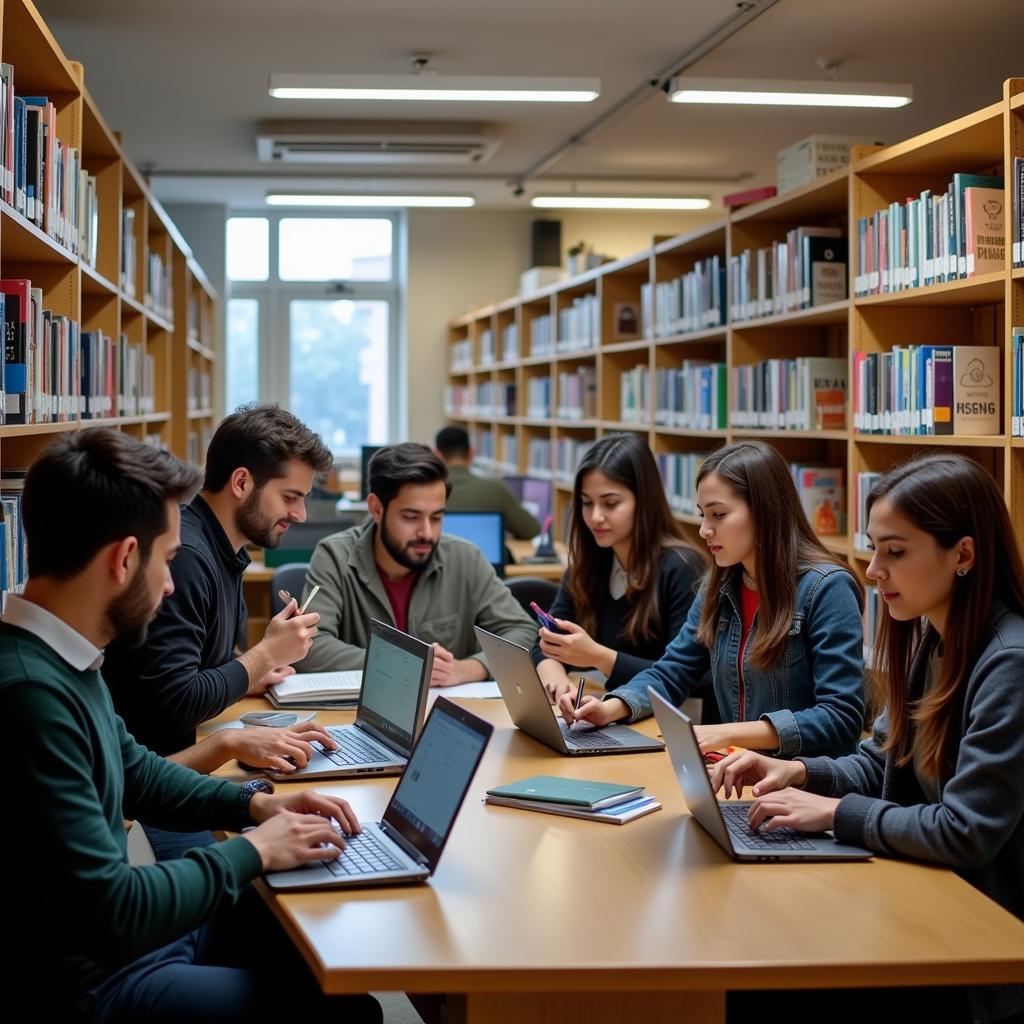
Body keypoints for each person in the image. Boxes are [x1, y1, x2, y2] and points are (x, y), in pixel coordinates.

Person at [0, 428, 379, 1022]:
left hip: (123, 944)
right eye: (168, 560)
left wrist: (254, 807)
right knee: (344, 1011)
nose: (173, 584)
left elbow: (137, 774)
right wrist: (253, 852)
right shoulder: (29, 695)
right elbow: (115, 911)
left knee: (314, 943)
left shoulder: (67, 653)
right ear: (125, 559)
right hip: (99, 981)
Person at [712, 454, 1024, 1024]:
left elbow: (965, 832)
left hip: (980, 949)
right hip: (925, 899)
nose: (873, 571)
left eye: (895, 552)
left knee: (764, 984)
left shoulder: (1009, 663)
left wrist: (832, 813)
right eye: (874, 547)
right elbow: (880, 760)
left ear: (964, 555)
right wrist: (797, 773)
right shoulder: (932, 637)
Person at [561, 440, 865, 759]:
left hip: (805, 785)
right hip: (738, 772)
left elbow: (841, 717)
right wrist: (609, 709)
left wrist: (729, 732)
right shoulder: (719, 584)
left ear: (765, 512)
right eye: (703, 515)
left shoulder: (827, 589)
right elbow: (672, 671)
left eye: (718, 515)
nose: (705, 530)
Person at [103, 403, 337, 776]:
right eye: (290, 497)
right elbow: (175, 704)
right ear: (241, 482)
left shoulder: (224, 546)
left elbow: (201, 664)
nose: (301, 514)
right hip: (155, 784)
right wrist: (265, 655)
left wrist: (249, 678)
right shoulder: (187, 557)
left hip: (178, 765)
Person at [301, 442, 535, 682]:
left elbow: (522, 632)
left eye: (436, 517)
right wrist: (407, 663)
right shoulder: (334, 556)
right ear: (376, 509)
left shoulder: (466, 559)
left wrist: (469, 669)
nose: (426, 533)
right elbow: (310, 646)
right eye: (411, 517)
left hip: (447, 712)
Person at [530, 433, 705, 702]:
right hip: (605, 711)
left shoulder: (682, 568)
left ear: (643, 501)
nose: (595, 516)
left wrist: (598, 657)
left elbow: (691, 678)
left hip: (664, 725)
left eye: (611, 503)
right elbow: (546, 643)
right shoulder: (590, 562)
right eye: (587, 503)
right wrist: (556, 680)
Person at [434, 425, 540, 539]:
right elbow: (531, 530)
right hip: (488, 556)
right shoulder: (495, 489)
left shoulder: (427, 491)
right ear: (471, 453)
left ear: (437, 455)